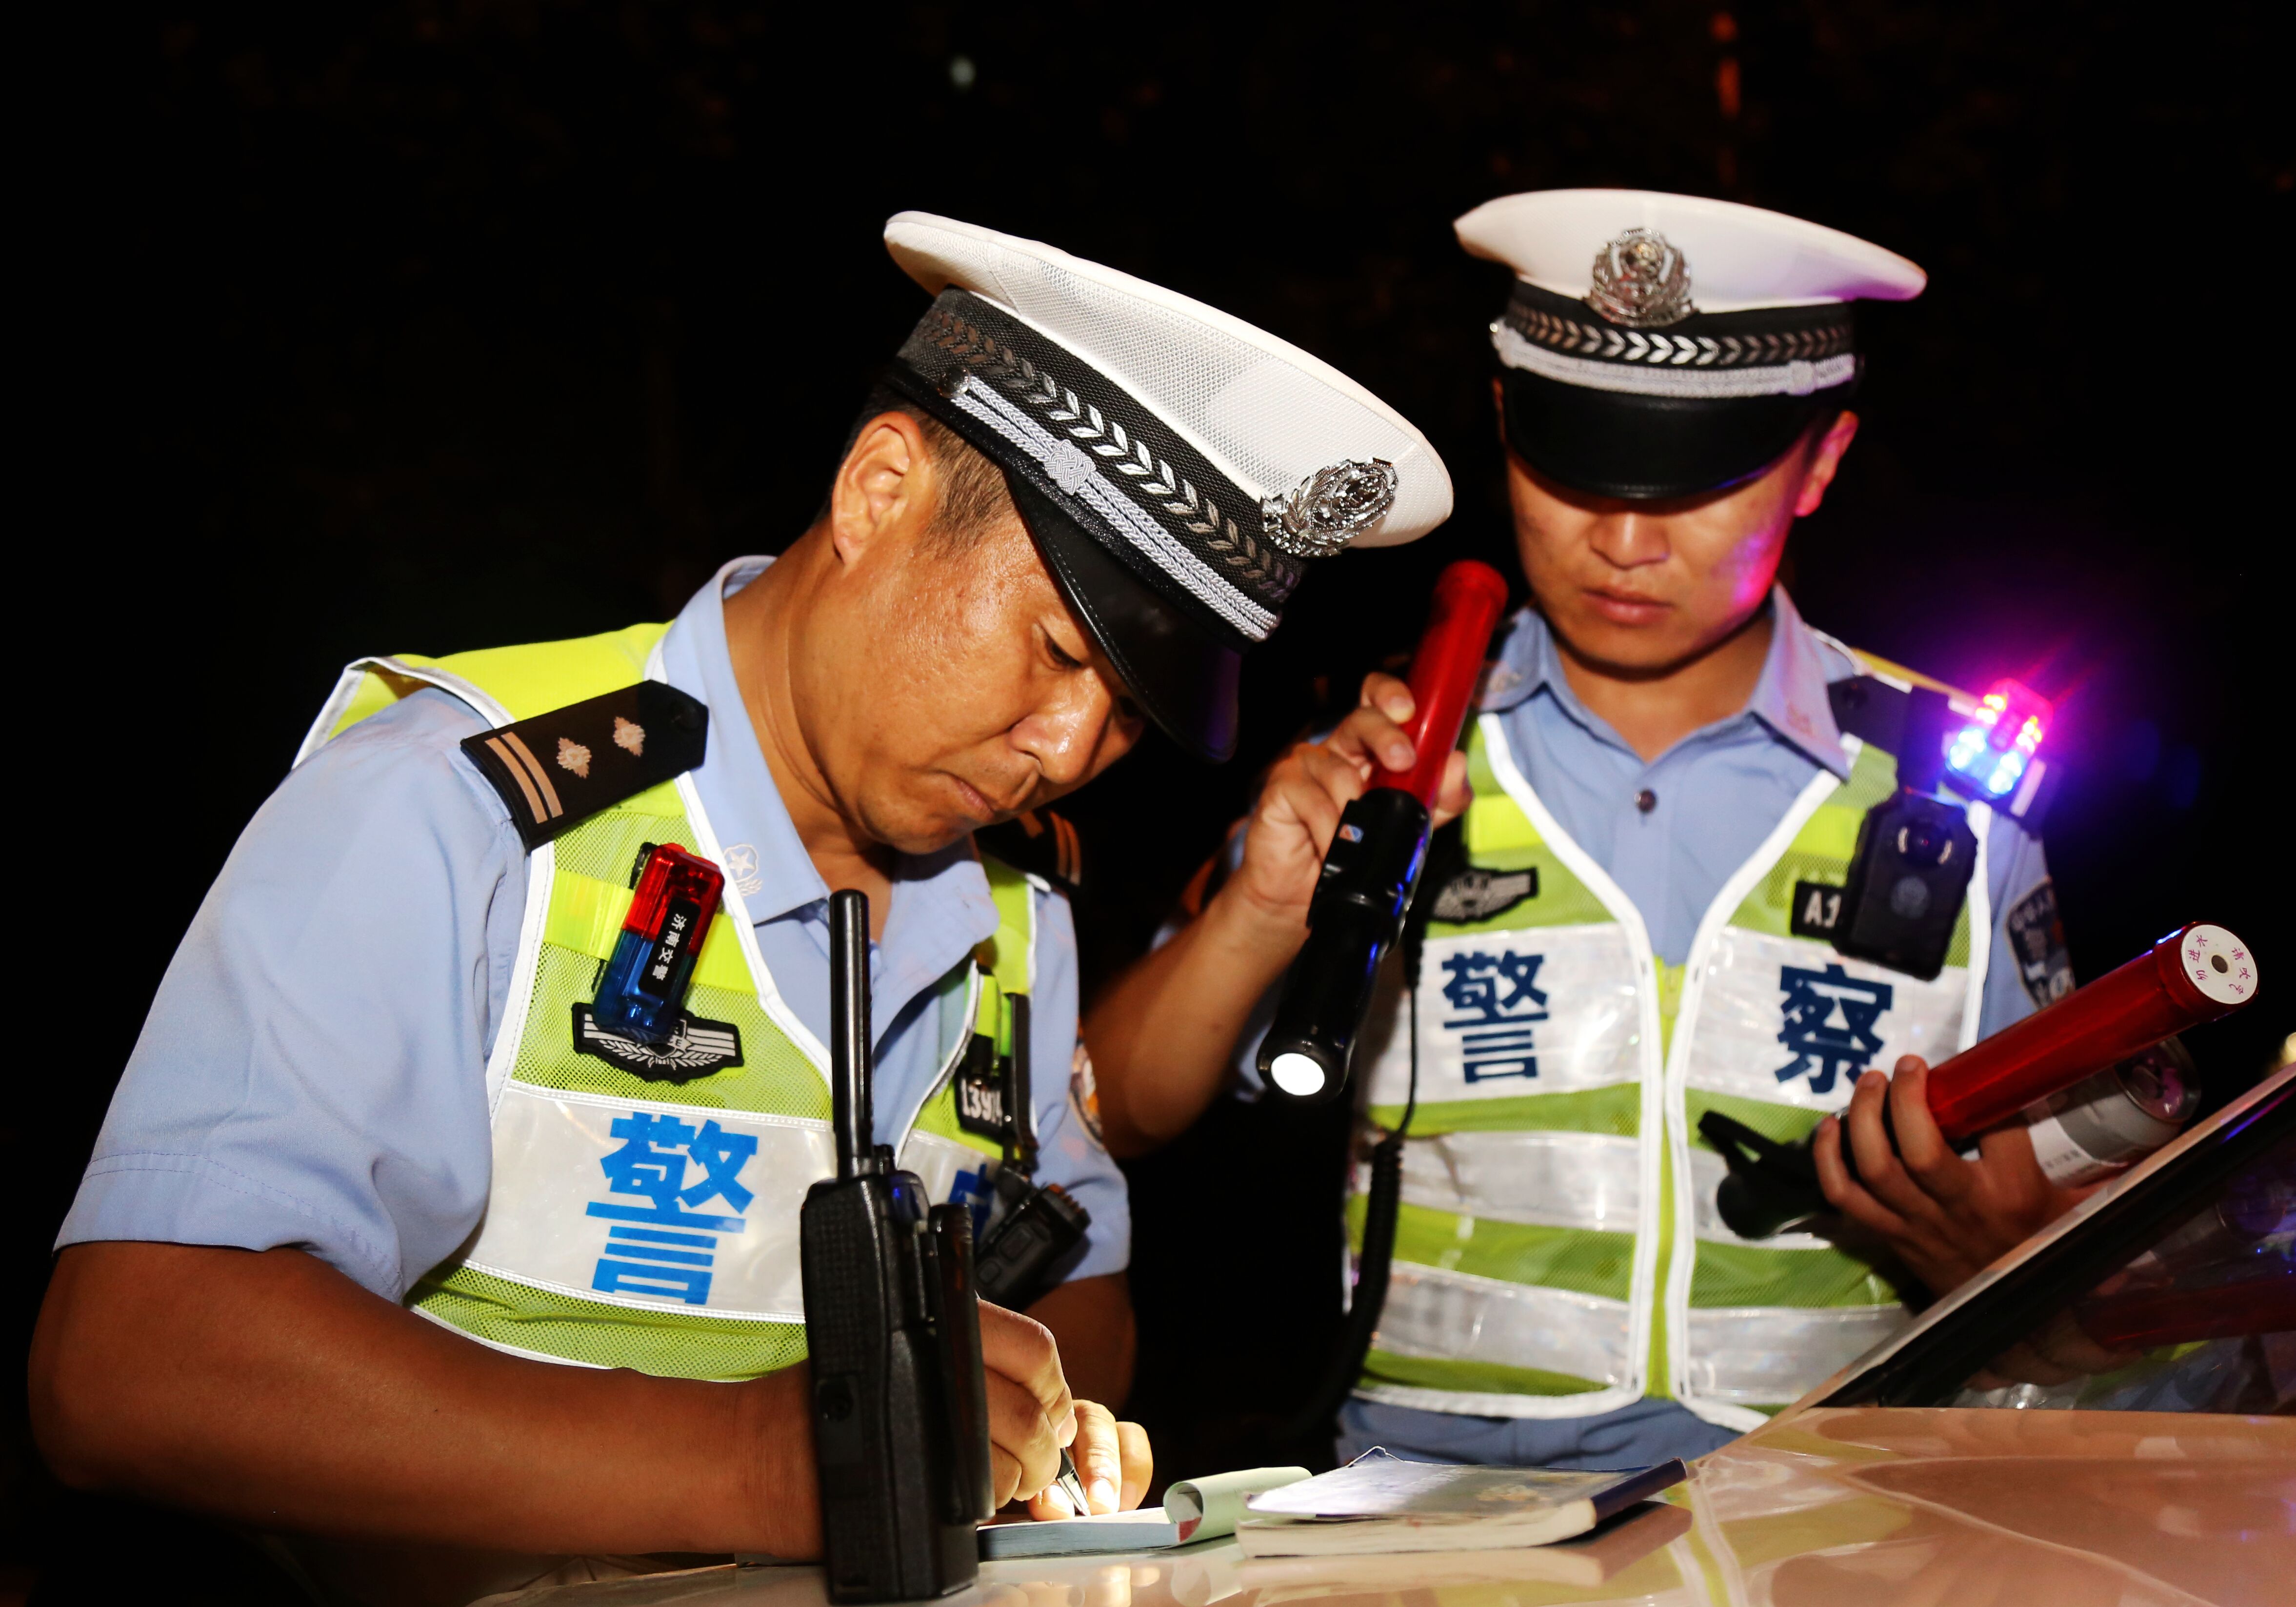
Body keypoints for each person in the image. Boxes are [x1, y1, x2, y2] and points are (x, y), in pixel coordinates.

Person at [30, 212, 1452, 1598]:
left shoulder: (1021, 910)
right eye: (1052, 648)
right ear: (879, 492)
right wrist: (753, 1462)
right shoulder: (459, 803)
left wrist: (1015, 1395)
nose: (1071, 751)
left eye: (1128, 714)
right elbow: (133, 1365)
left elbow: (1080, 1285)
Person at [1085, 190, 2081, 1470]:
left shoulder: (1955, 798)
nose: (1618, 539)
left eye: (1698, 482)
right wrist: (1260, 913)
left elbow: (2076, 1208)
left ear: (1820, 463)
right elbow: (1107, 1108)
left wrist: (2001, 1259)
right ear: (1502, 419)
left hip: (1833, 1526)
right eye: (1572, 467)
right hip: (1425, 1531)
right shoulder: (1393, 752)